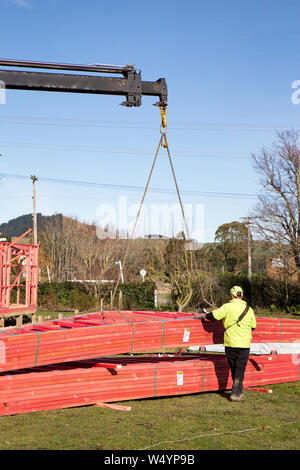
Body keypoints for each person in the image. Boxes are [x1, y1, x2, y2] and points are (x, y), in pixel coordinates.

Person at [197, 286, 256, 402]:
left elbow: (214, 316)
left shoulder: (227, 307)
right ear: (242, 295)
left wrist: (205, 316)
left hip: (230, 343)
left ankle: (237, 391)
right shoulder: (249, 309)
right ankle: (237, 393)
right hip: (244, 344)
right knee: (240, 368)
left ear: (232, 295)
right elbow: (253, 326)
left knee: (234, 367)